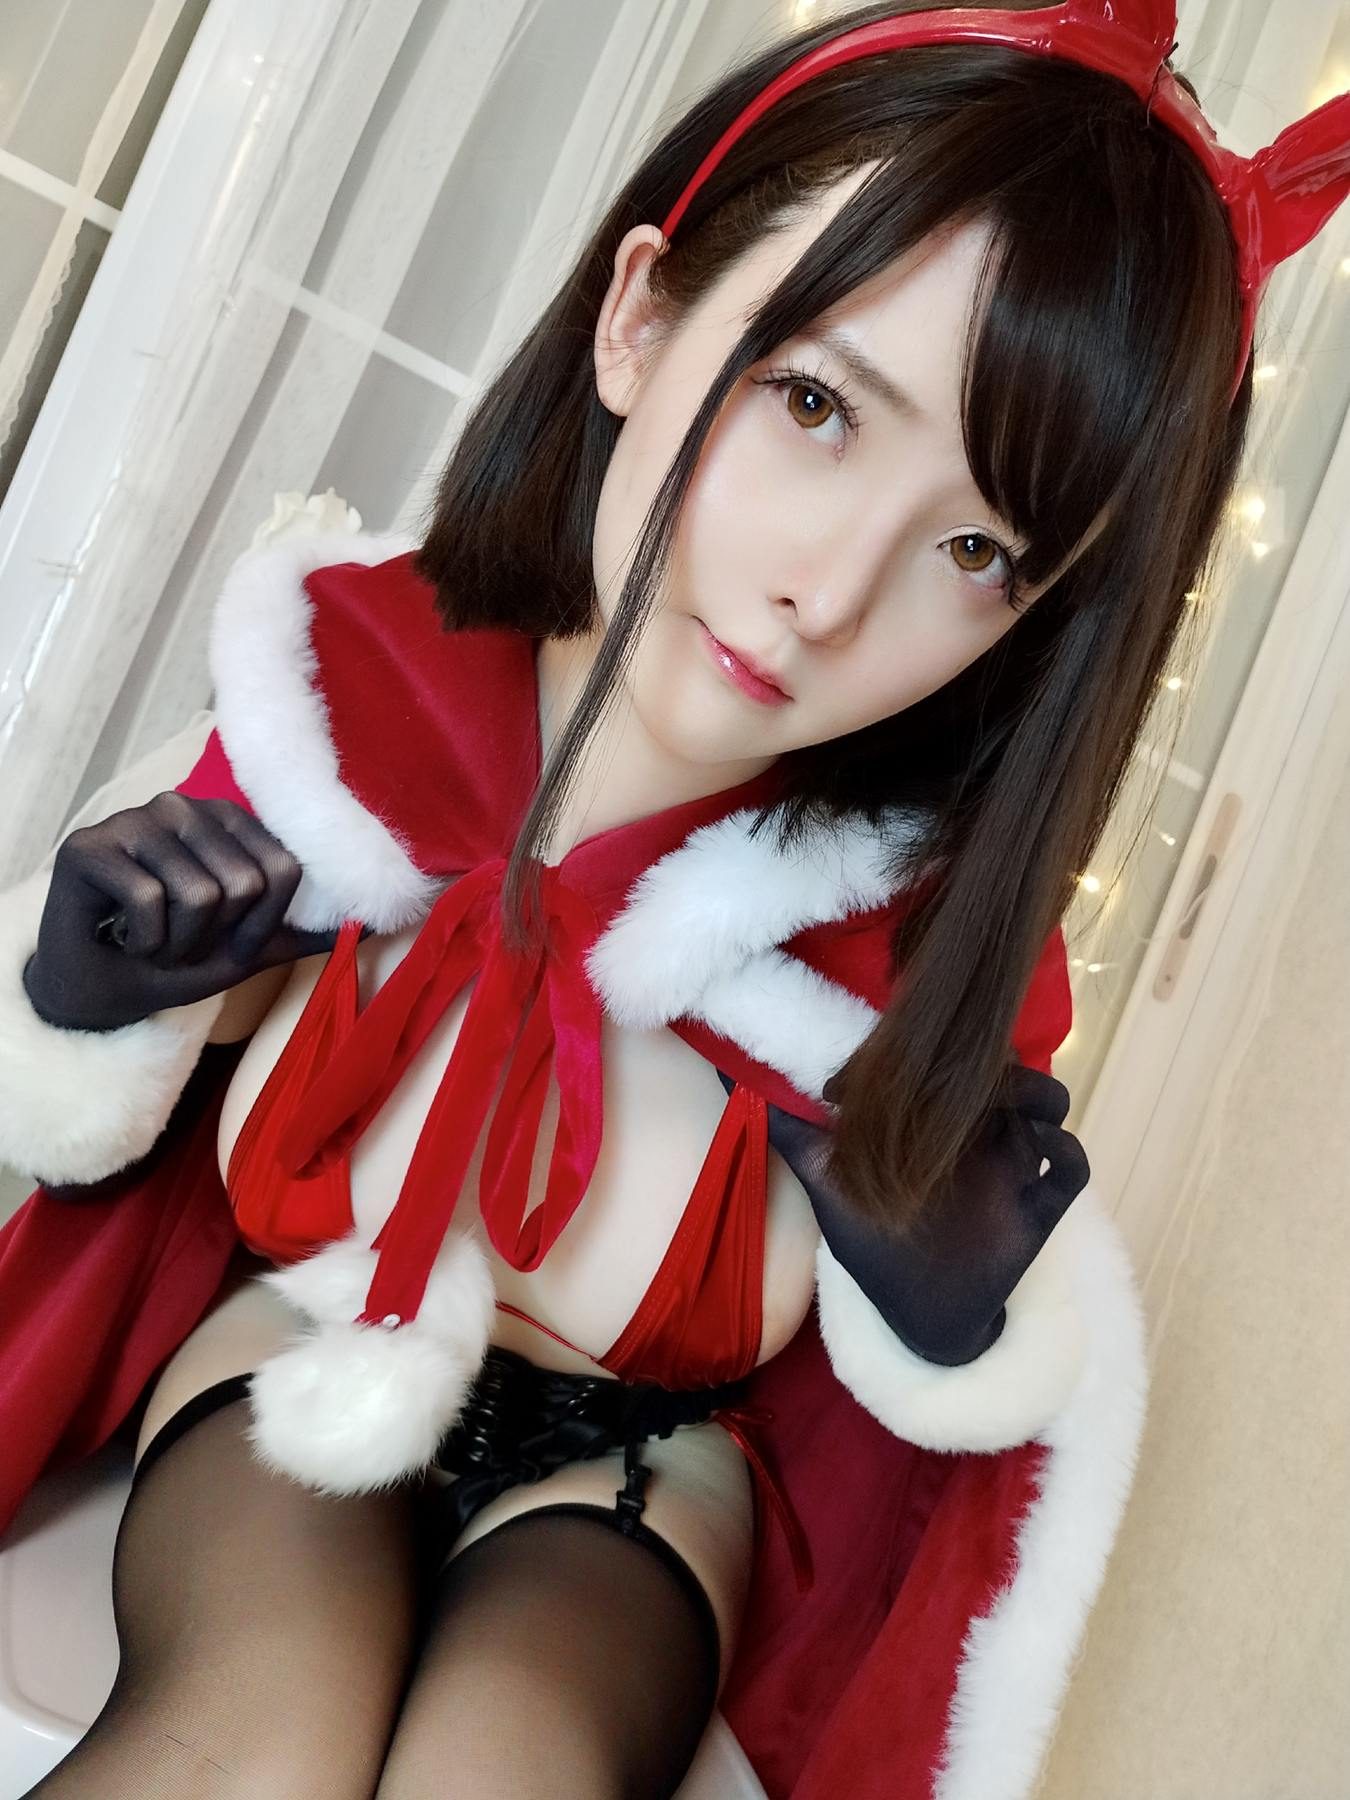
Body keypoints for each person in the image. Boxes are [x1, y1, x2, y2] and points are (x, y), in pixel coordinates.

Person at [0, 2, 1346, 1796]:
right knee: (249, 1733)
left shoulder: (920, 938)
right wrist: (94, 996)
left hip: (641, 1457)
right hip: (315, 1336)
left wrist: (953, 1309)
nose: (827, 594)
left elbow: (931, 1411)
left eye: (976, 550)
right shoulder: (350, 691)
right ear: (638, 316)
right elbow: (113, 1102)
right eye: (815, 406)